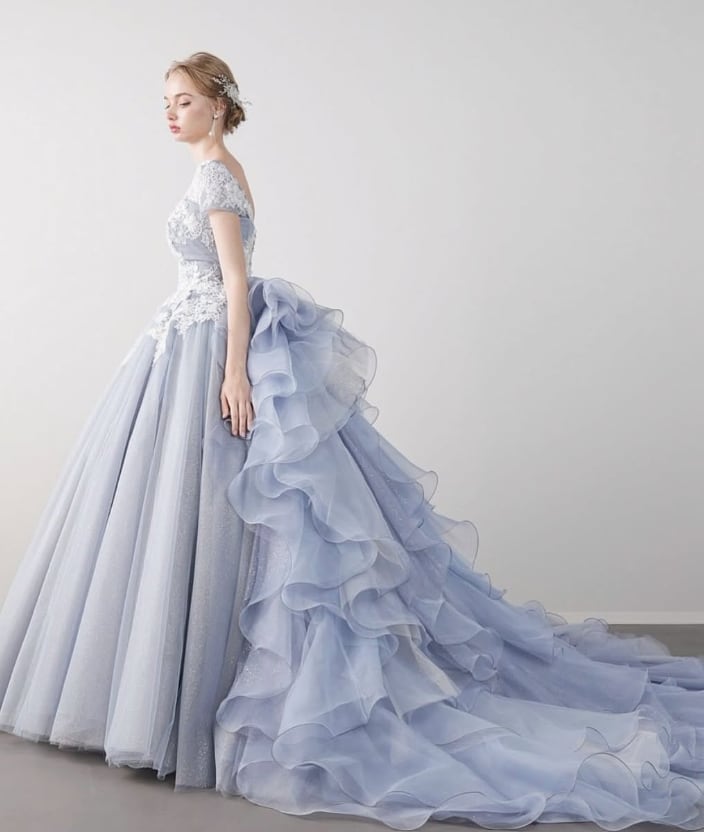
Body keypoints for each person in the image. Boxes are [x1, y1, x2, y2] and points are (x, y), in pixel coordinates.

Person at [1, 50, 703, 831]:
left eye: (184, 101)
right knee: (178, 518)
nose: (171, 113)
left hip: (207, 350)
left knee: (212, 517)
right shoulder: (208, 173)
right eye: (165, 101)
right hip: (177, 346)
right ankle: (169, 699)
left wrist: (233, 374)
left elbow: (235, 284)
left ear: (219, 106)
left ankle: (188, 706)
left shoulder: (217, 178)